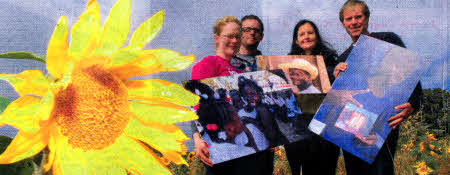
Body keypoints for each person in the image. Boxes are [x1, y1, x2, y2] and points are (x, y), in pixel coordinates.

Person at [333, 1, 423, 175]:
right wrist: (337, 80)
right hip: (353, 130)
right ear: (343, 23)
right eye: (348, 19)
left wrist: (413, 103)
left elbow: (411, 77)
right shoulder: (343, 58)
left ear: (367, 18)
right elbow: (337, 101)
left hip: (384, 126)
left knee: (382, 170)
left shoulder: (388, 39)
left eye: (358, 17)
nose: (354, 22)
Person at [190, 16, 272, 175]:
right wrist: (197, 138)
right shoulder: (208, 63)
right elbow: (196, 103)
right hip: (221, 148)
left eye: (237, 36)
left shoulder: (241, 72)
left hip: (245, 147)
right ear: (217, 38)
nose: (234, 41)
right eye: (229, 36)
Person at [283, 19, 340, 175]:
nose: (306, 37)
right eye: (301, 34)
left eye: (310, 33)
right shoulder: (287, 66)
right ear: (296, 40)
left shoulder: (331, 62)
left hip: (324, 133)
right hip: (297, 133)